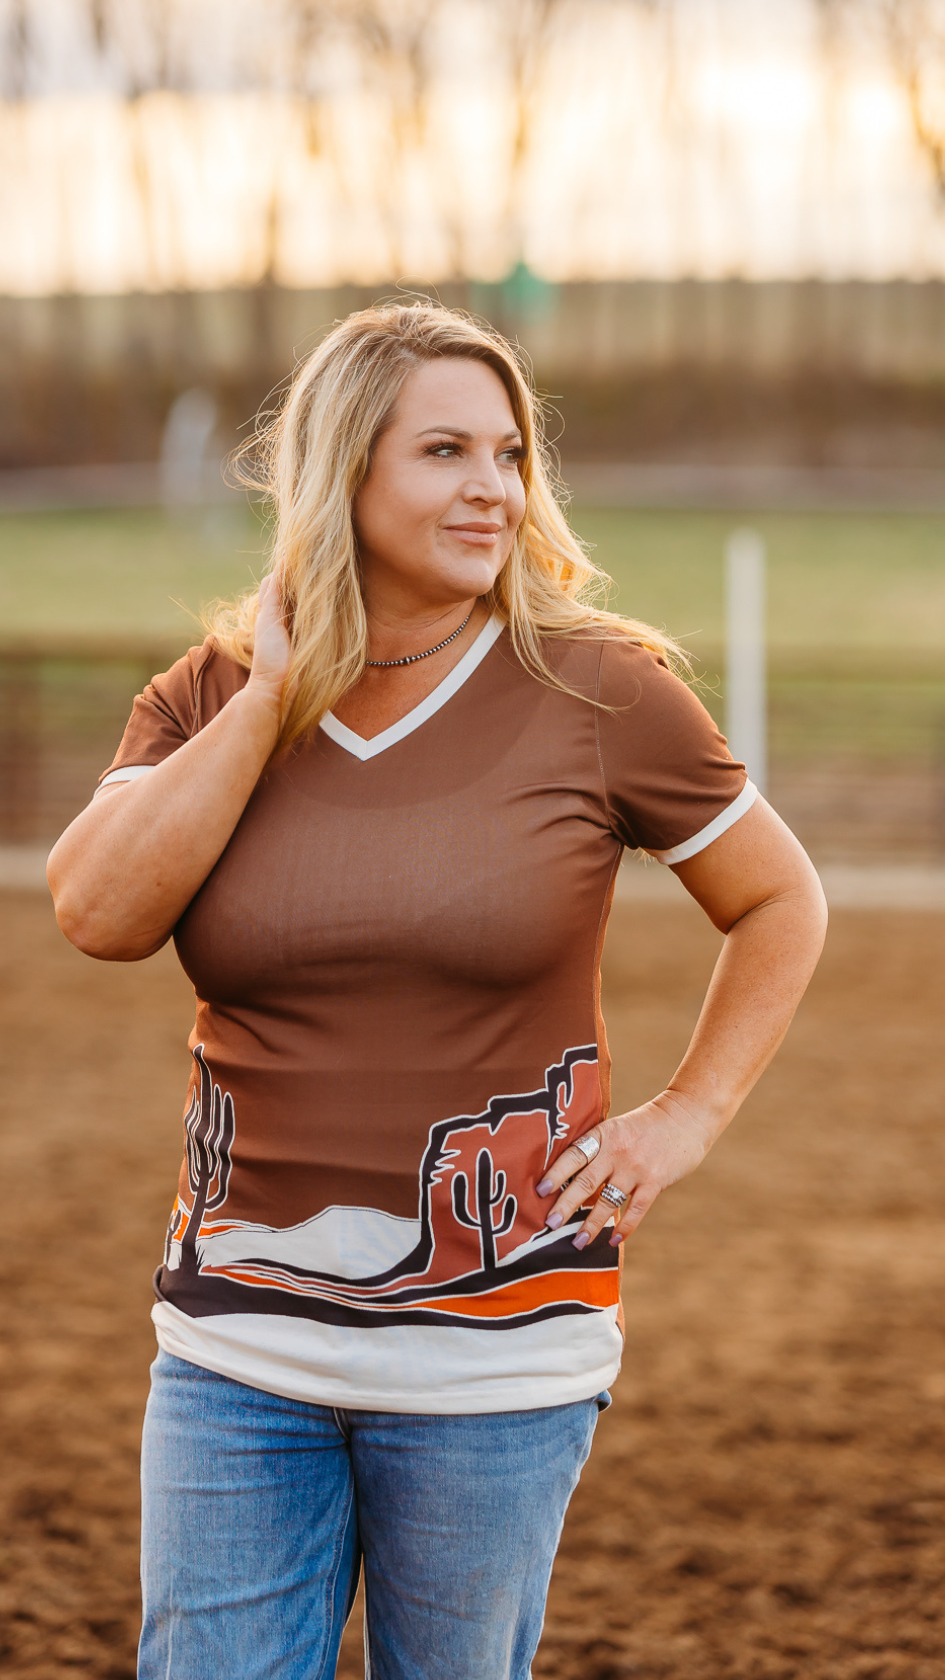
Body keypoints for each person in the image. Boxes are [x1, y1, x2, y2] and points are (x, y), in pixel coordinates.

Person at [47, 301, 827, 1680]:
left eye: (510, 453)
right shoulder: (211, 692)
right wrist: (267, 701)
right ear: (344, 470)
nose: (494, 489)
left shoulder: (600, 690)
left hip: (497, 1363)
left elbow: (780, 900)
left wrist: (686, 1118)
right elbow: (98, 914)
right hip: (237, 1352)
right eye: (445, 451)